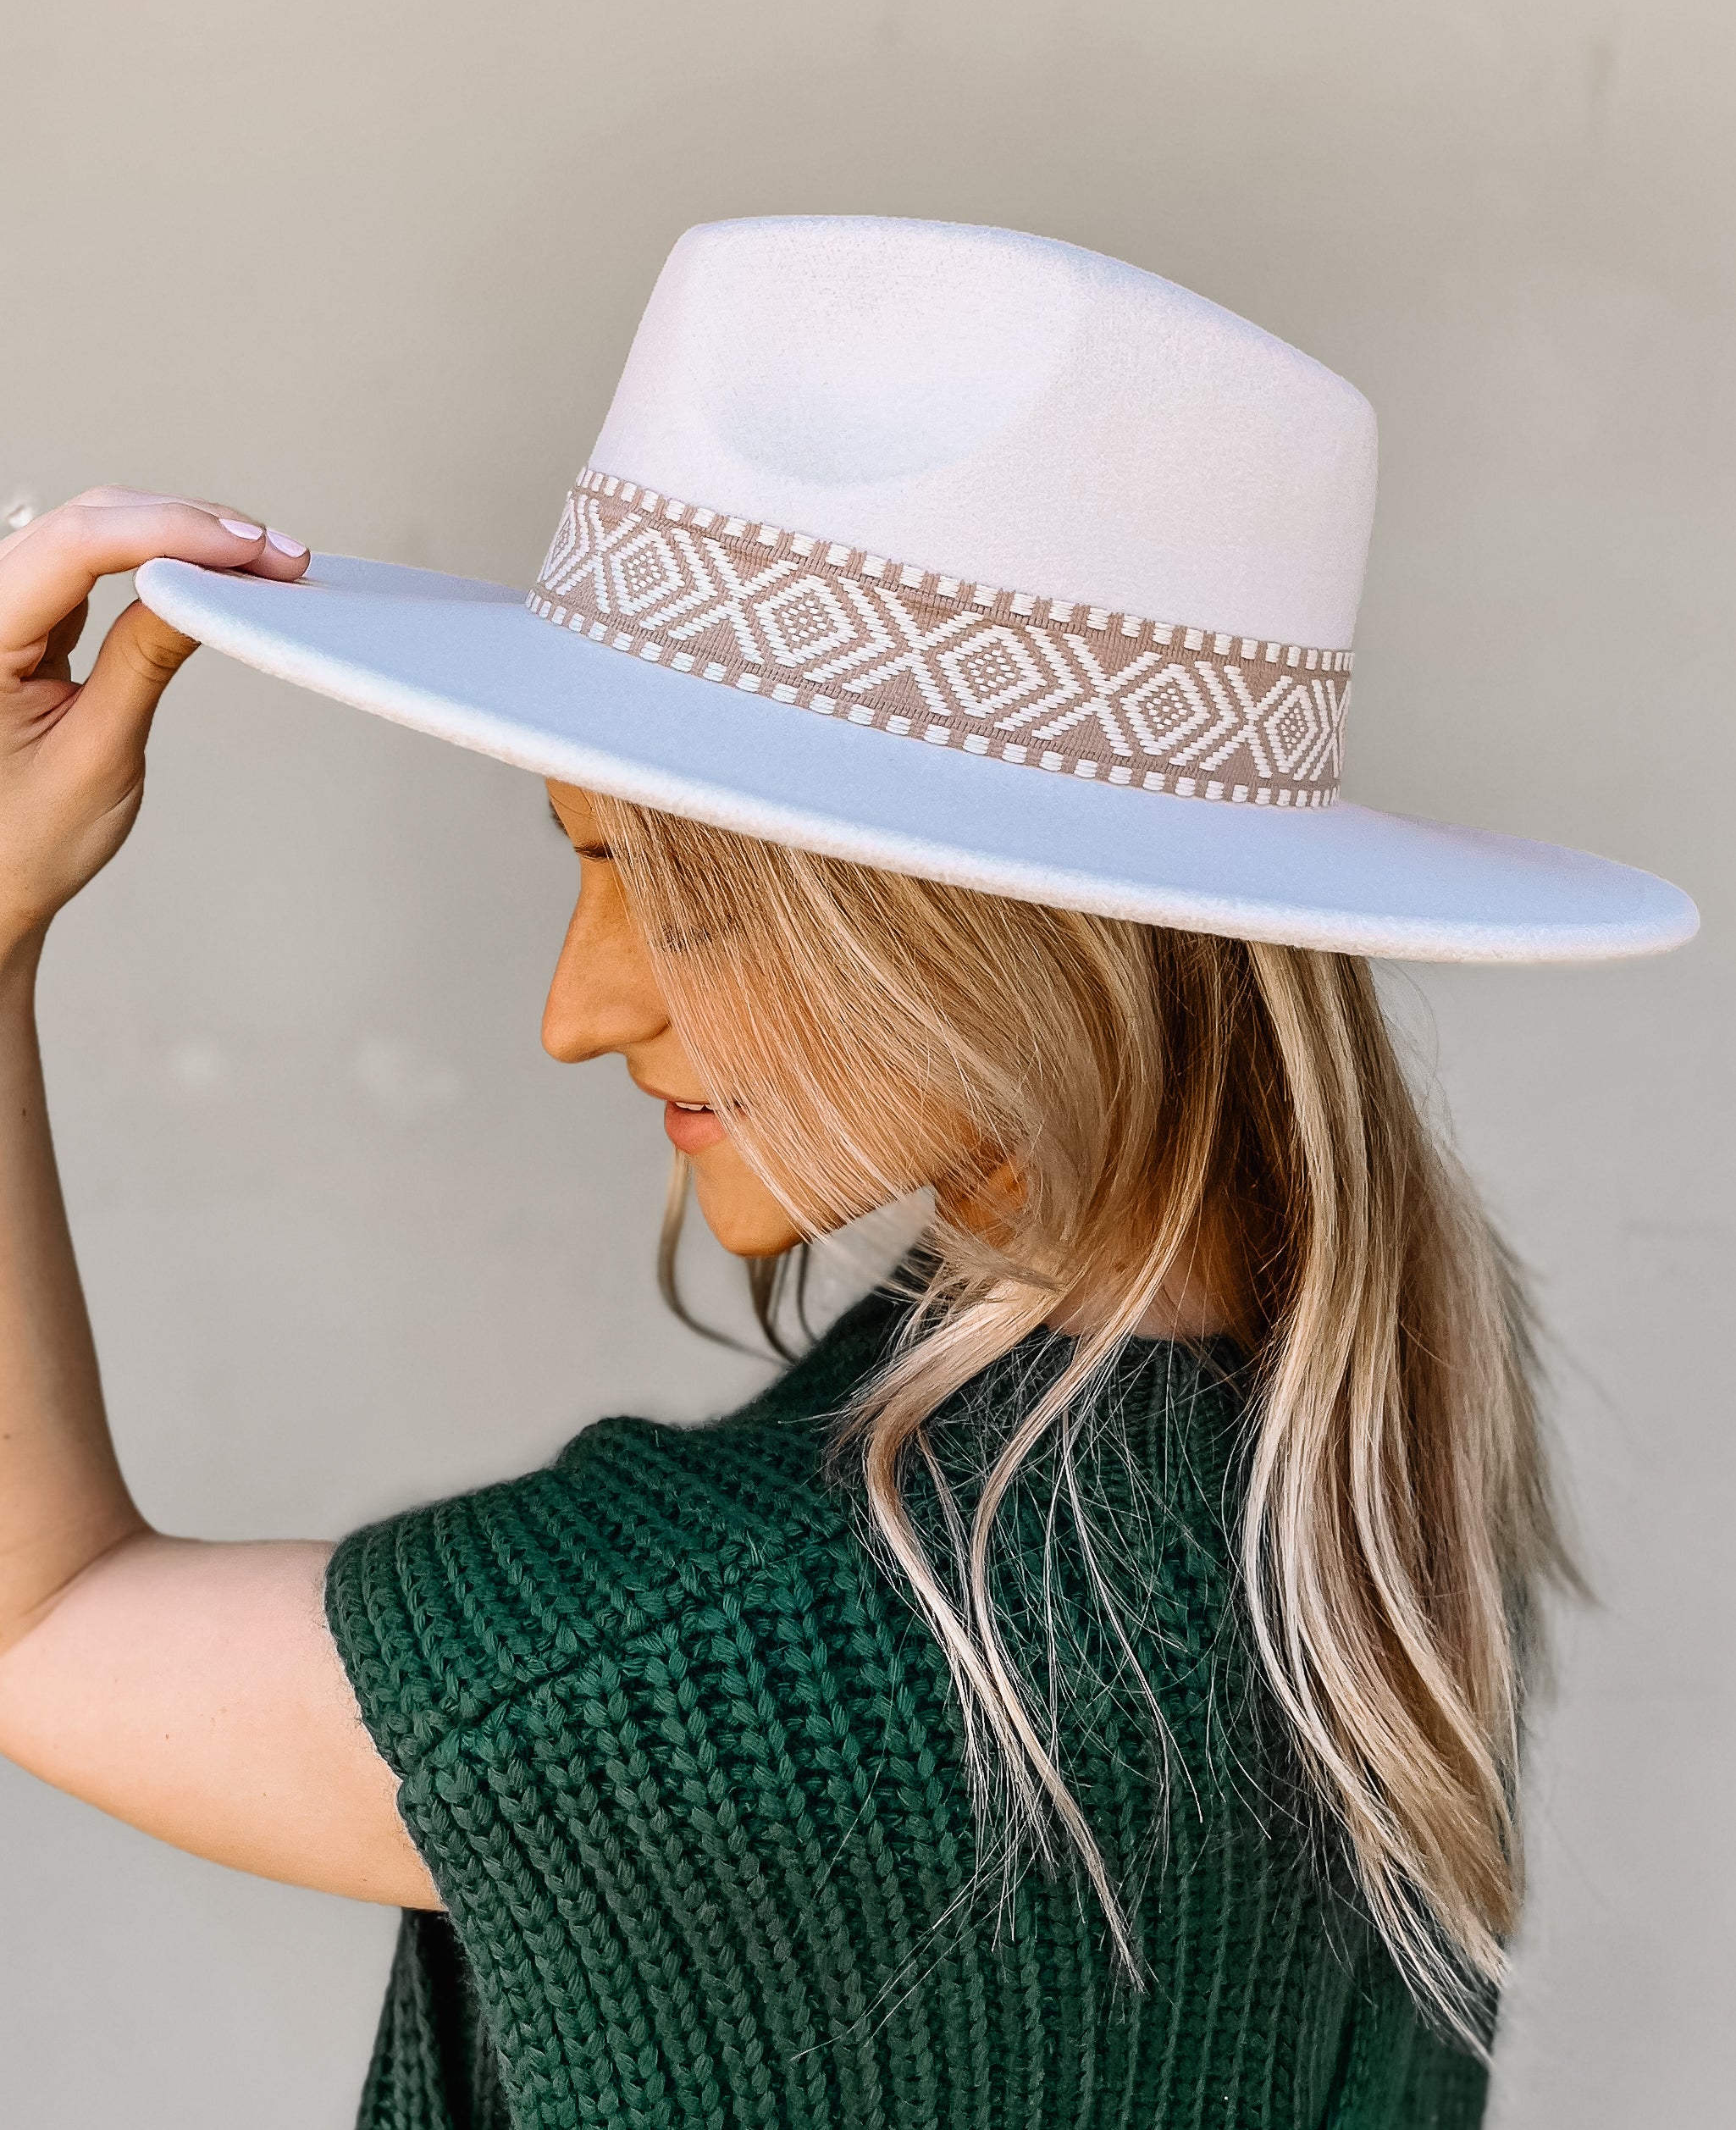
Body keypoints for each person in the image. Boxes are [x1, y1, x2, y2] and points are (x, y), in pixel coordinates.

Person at [0, 219, 1696, 2130]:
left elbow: (34, 1620)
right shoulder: (1336, 1484)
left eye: (679, 886)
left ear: (986, 935)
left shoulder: (758, 1654)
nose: (575, 1011)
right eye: (585, 863)